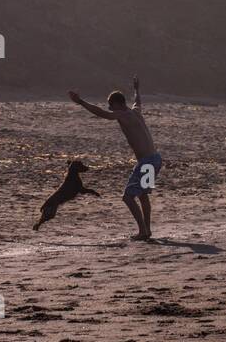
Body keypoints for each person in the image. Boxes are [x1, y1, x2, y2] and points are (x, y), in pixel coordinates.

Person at [68, 76, 162, 241]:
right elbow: (138, 101)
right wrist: (137, 89)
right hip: (155, 159)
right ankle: (147, 230)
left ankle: (143, 231)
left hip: (147, 162)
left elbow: (102, 113)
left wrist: (81, 102)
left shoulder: (122, 114)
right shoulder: (135, 111)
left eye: (111, 104)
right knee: (142, 195)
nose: (110, 108)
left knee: (127, 197)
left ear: (118, 104)